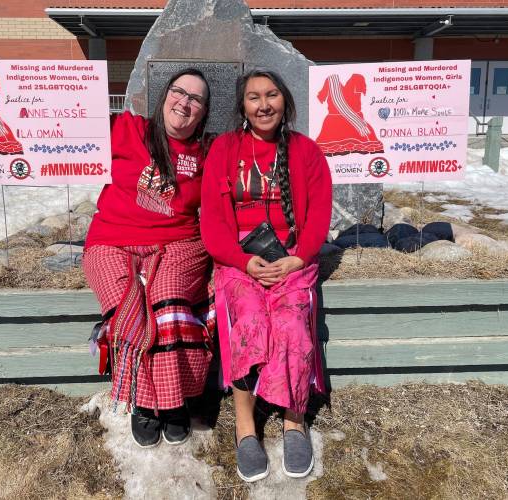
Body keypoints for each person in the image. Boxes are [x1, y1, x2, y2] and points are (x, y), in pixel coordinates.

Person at [200, 70, 332, 481]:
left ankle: (294, 421)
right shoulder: (224, 149)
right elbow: (212, 223)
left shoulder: (306, 152)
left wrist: (298, 258)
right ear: (242, 106)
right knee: (250, 321)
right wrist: (242, 262)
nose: (263, 105)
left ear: (285, 101)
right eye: (254, 97)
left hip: (290, 257)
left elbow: (319, 216)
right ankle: (245, 429)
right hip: (240, 260)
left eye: (272, 95)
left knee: (292, 324)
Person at [82, 68, 215, 448]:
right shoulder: (126, 129)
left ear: (203, 112)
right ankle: (149, 401)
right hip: (112, 240)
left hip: (178, 244)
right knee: (128, 311)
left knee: (168, 307)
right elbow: (58, 111)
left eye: (196, 99)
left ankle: (171, 403)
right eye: (179, 92)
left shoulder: (207, 151)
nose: (185, 102)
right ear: (164, 96)